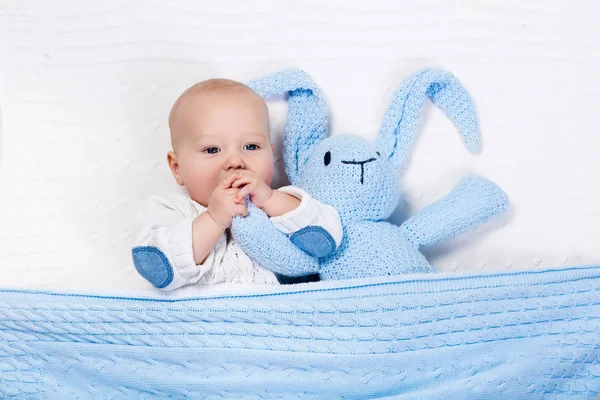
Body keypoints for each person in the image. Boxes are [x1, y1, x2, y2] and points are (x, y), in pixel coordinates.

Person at [131, 78, 342, 290]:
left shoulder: (280, 206)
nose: (235, 161)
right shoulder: (170, 210)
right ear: (177, 168)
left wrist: (272, 199)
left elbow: (327, 240)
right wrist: (214, 219)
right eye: (212, 150)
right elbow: (156, 267)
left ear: (270, 153)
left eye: (251, 146)